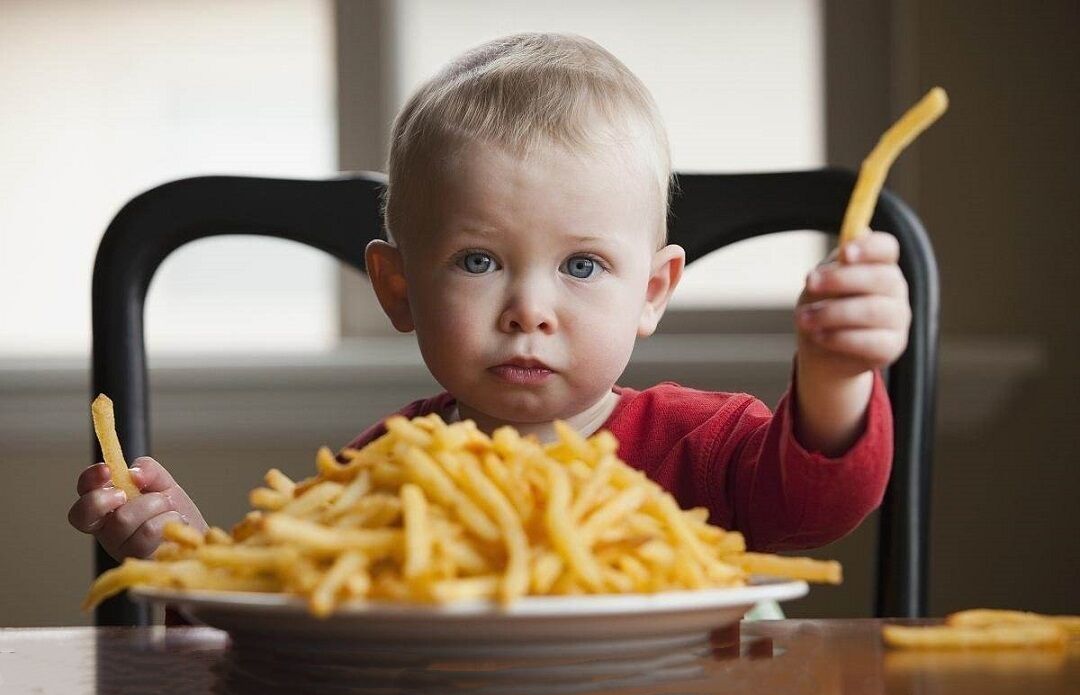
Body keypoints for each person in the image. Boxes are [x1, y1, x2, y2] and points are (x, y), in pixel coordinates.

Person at [69, 33, 909, 563]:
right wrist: (183, 551)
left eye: (582, 267)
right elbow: (289, 625)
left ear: (652, 292)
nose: (528, 310)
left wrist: (835, 373)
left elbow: (817, 505)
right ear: (400, 288)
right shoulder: (386, 473)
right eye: (477, 262)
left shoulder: (701, 447)